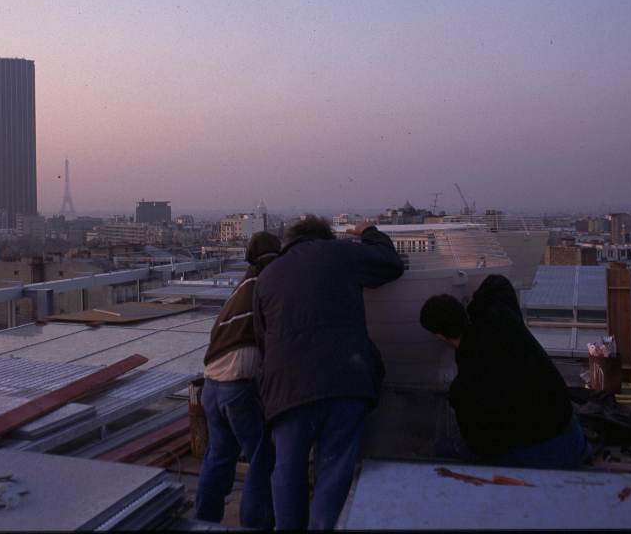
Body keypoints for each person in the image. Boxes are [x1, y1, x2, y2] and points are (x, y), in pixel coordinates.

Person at [252, 215, 404, 530]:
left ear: (291, 239)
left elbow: (262, 340)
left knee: (287, 472)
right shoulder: (342, 253)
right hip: (345, 380)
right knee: (333, 475)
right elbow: (391, 263)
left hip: (289, 389)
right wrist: (369, 232)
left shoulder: (267, 276)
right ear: (324, 237)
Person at [419, 274, 591, 469]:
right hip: (574, 436)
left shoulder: (465, 387)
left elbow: (482, 447)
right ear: (465, 314)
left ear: (441, 337)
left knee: (441, 448)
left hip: (547, 457)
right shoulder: (502, 318)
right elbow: (497, 282)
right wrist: (476, 312)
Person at [194, 231, 281, 529]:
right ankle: (254, 525)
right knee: (261, 458)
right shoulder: (267, 285)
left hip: (212, 386)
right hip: (238, 387)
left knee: (219, 455)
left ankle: (204, 521)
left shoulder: (240, 287)